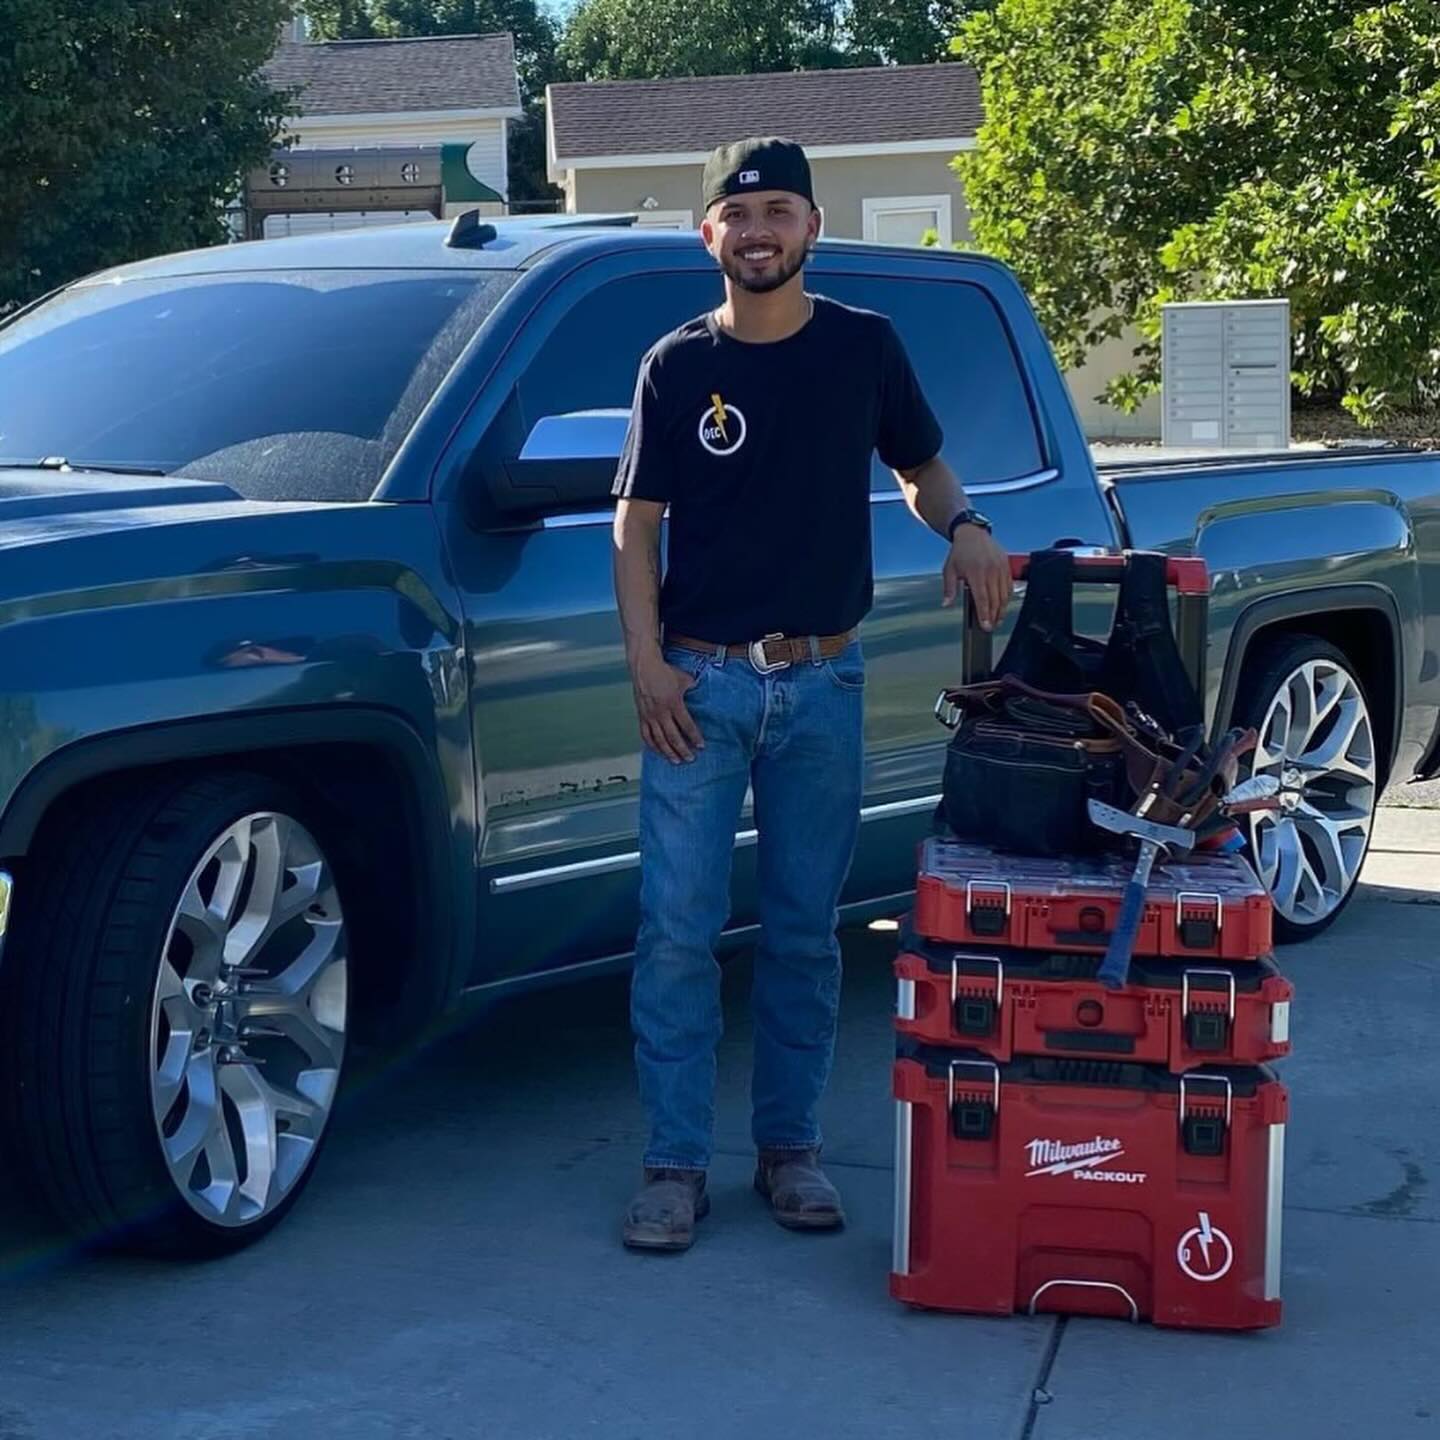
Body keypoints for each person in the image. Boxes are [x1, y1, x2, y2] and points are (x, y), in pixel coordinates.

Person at [610, 136, 1013, 1252]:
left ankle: (790, 1152)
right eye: (738, 216)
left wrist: (967, 524)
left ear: (812, 228)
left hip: (824, 679)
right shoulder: (674, 366)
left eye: (779, 211)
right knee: (677, 933)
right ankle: (674, 1166)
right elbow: (635, 526)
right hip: (697, 687)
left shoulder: (863, 348)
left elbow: (921, 468)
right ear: (710, 234)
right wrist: (646, 663)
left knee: (803, 932)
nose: (758, 233)